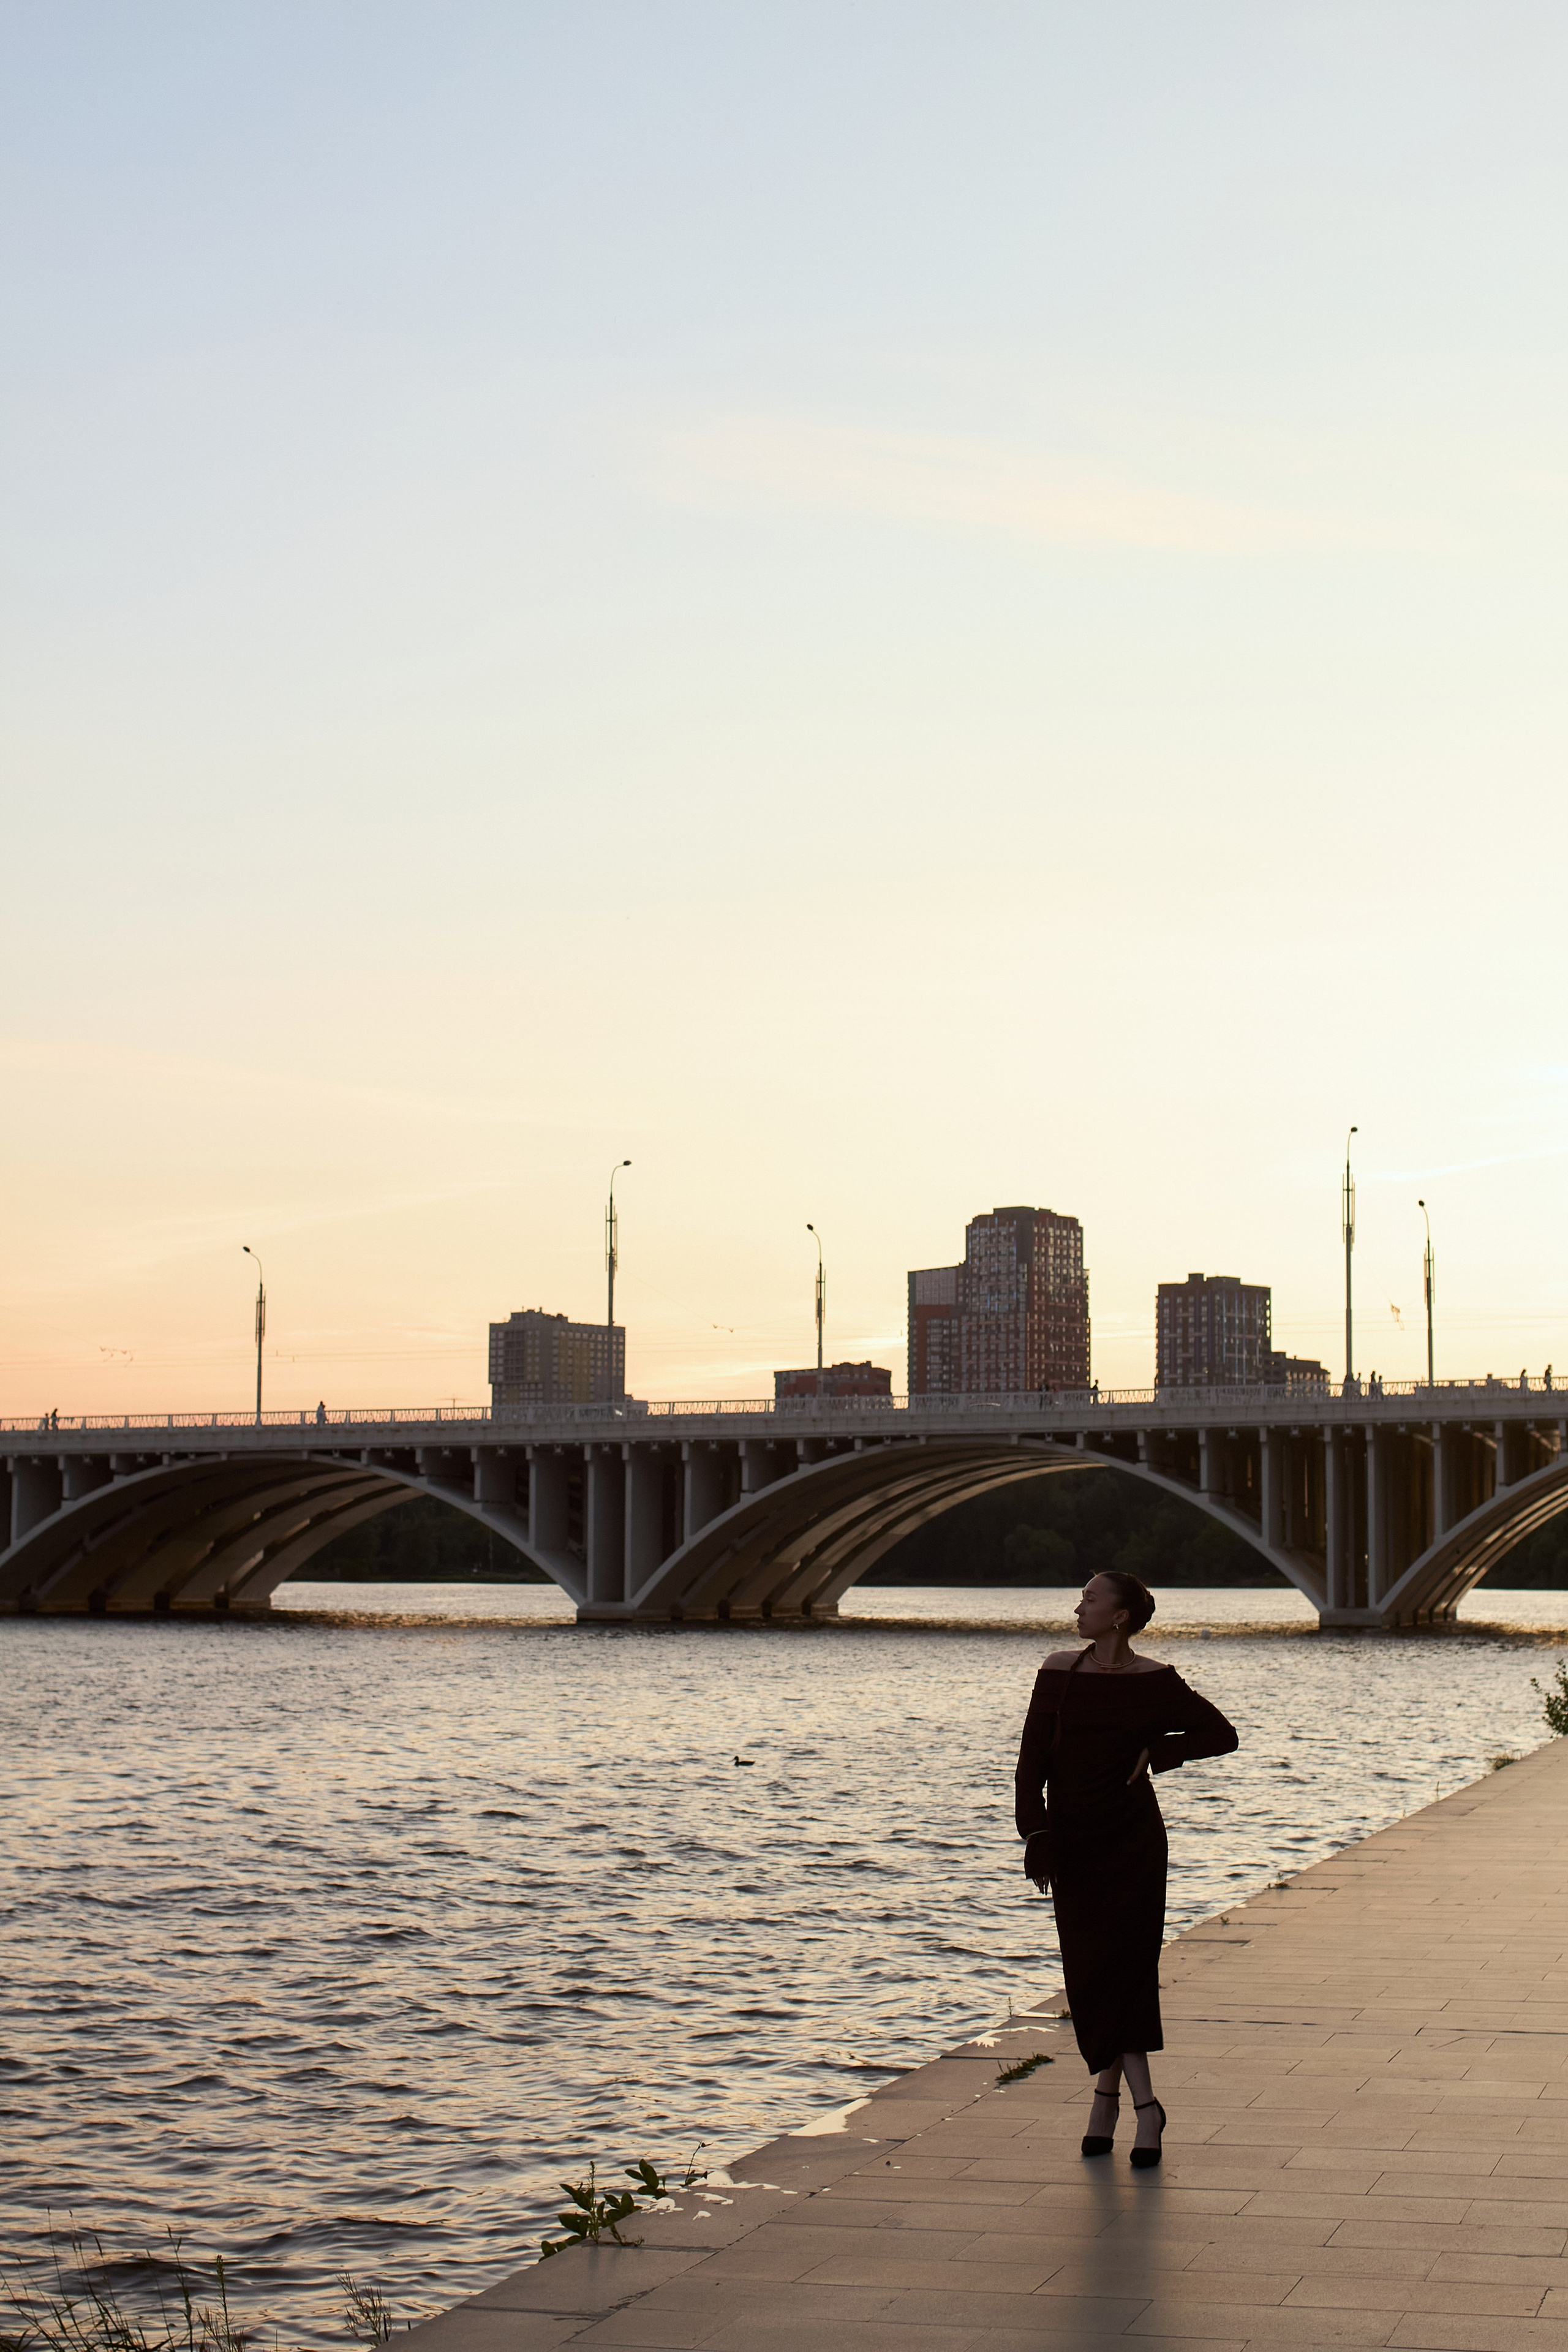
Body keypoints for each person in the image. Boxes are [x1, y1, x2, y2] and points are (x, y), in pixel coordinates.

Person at [1014, 1571, 1238, 2169]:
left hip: (1134, 1843)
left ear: (1119, 1616)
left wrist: (1160, 1751)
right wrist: (1034, 1835)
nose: (1078, 1606)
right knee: (1092, 1974)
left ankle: (1126, 2107)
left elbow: (1221, 1735)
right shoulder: (1058, 1671)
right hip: (1074, 1842)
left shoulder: (1155, 1682)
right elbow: (1029, 1764)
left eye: (1090, 1598)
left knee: (1130, 1972)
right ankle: (1130, 2103)